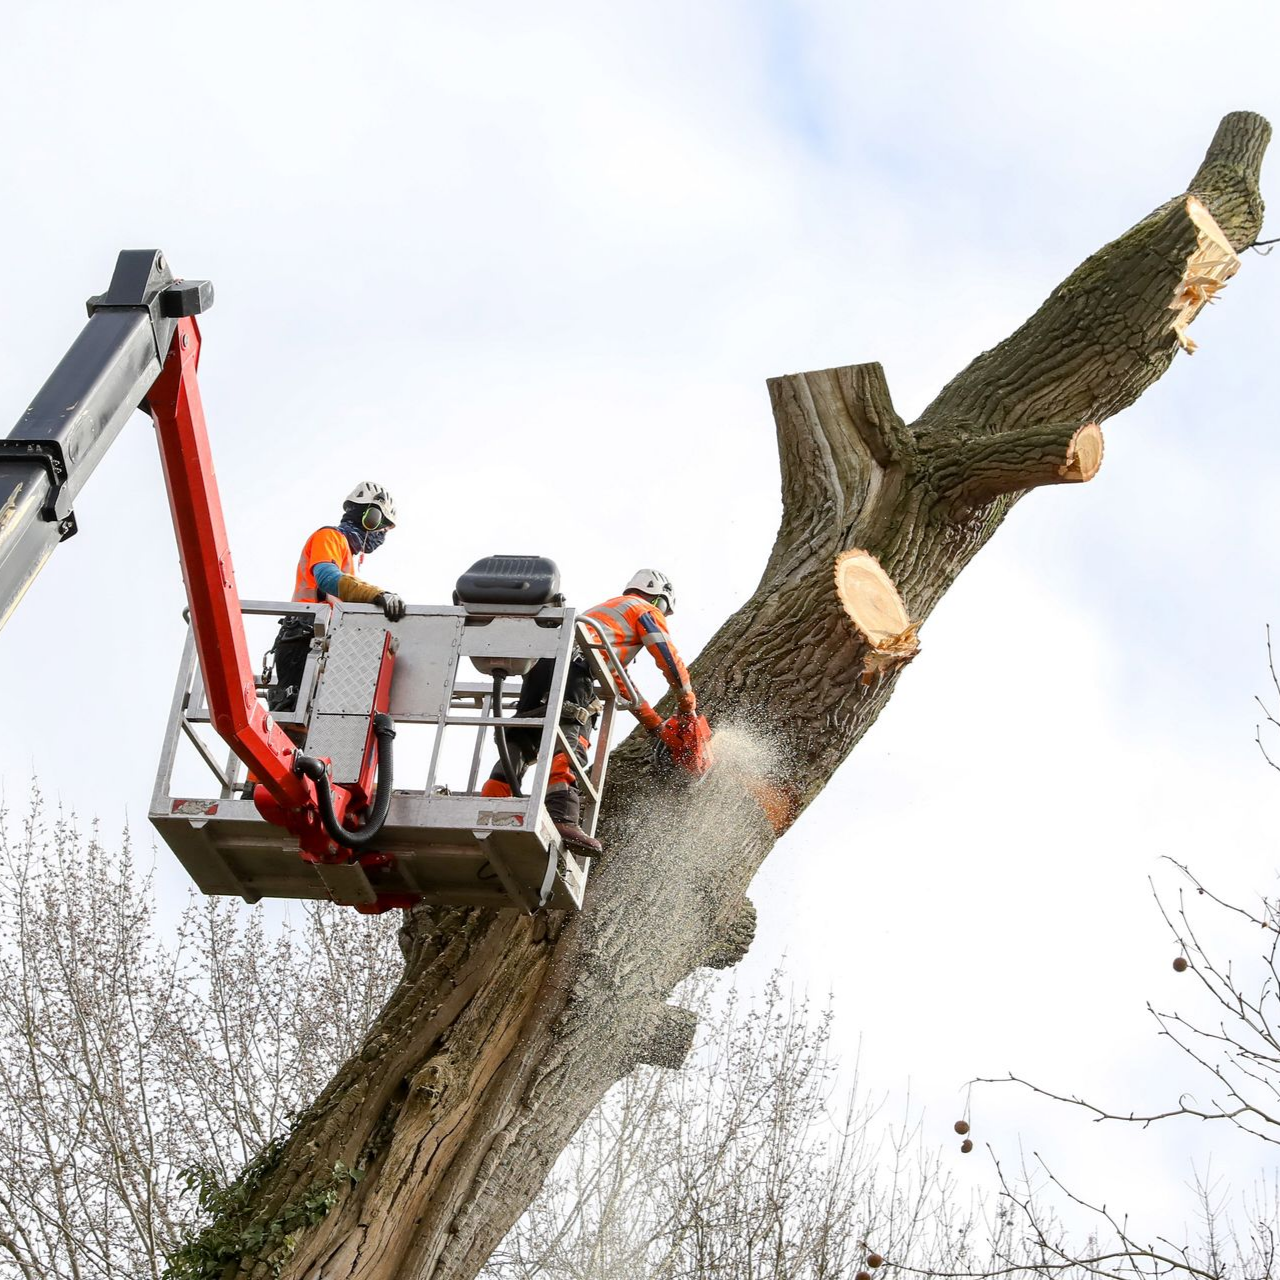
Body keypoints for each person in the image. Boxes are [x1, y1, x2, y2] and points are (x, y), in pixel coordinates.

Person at [480, 568, 697, 856]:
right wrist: (687, 704)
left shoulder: (605, 617)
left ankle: (491, 803)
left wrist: (654, 725)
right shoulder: (645, 610)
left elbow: (619, 682)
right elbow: (667, 656)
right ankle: (561, 816)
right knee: (573, 732)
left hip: (540, 663)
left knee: (525, 733)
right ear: (660, 599)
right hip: (576, 666)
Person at [266, 481, 406, 715]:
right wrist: (377, 595)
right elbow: (327, 578)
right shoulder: (330, 537)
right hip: (303, 638)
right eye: (378, 524)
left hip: (320, 641)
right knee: (292, 719)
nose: (380, 533)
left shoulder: (349, 561)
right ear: (366, 516)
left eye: (385, 530)